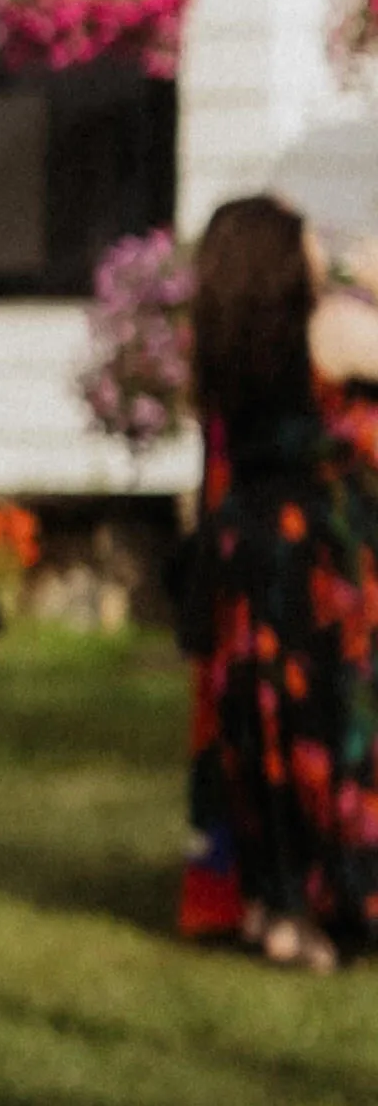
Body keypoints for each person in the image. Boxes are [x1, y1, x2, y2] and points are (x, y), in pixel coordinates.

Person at [179, 191, 378, 966]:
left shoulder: (226, 343)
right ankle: (320, 908)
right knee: (326, 736)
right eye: (303, 236)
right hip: (314, 566)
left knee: (260, 736)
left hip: (243, 565)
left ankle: (274, 906)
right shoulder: (328, 331)